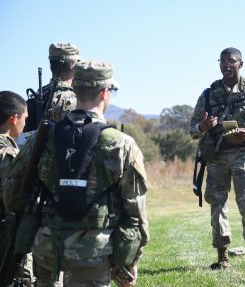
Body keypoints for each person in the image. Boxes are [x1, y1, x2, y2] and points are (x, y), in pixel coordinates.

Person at [4, 61, 149, 286]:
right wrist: (129, 260)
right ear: (104, 93)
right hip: (94, 253)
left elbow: (12, 193)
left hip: (46, 246)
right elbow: (136, 212)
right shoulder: (122, 144)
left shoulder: (41, 139)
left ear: (75, 90)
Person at [190, 47, 245, 269]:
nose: (226, 65)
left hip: (242, 153)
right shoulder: (208, 94)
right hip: (215, 155)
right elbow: (192, 128)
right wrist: (203, 126)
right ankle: (222, 257)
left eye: (231, 61)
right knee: (217, 204)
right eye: (222, 61)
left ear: (241, 64)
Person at [0, 91, 34, 286]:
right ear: (14, 119)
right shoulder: (8, 155)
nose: (25, 124)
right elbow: (14, 200)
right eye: (25, 118)